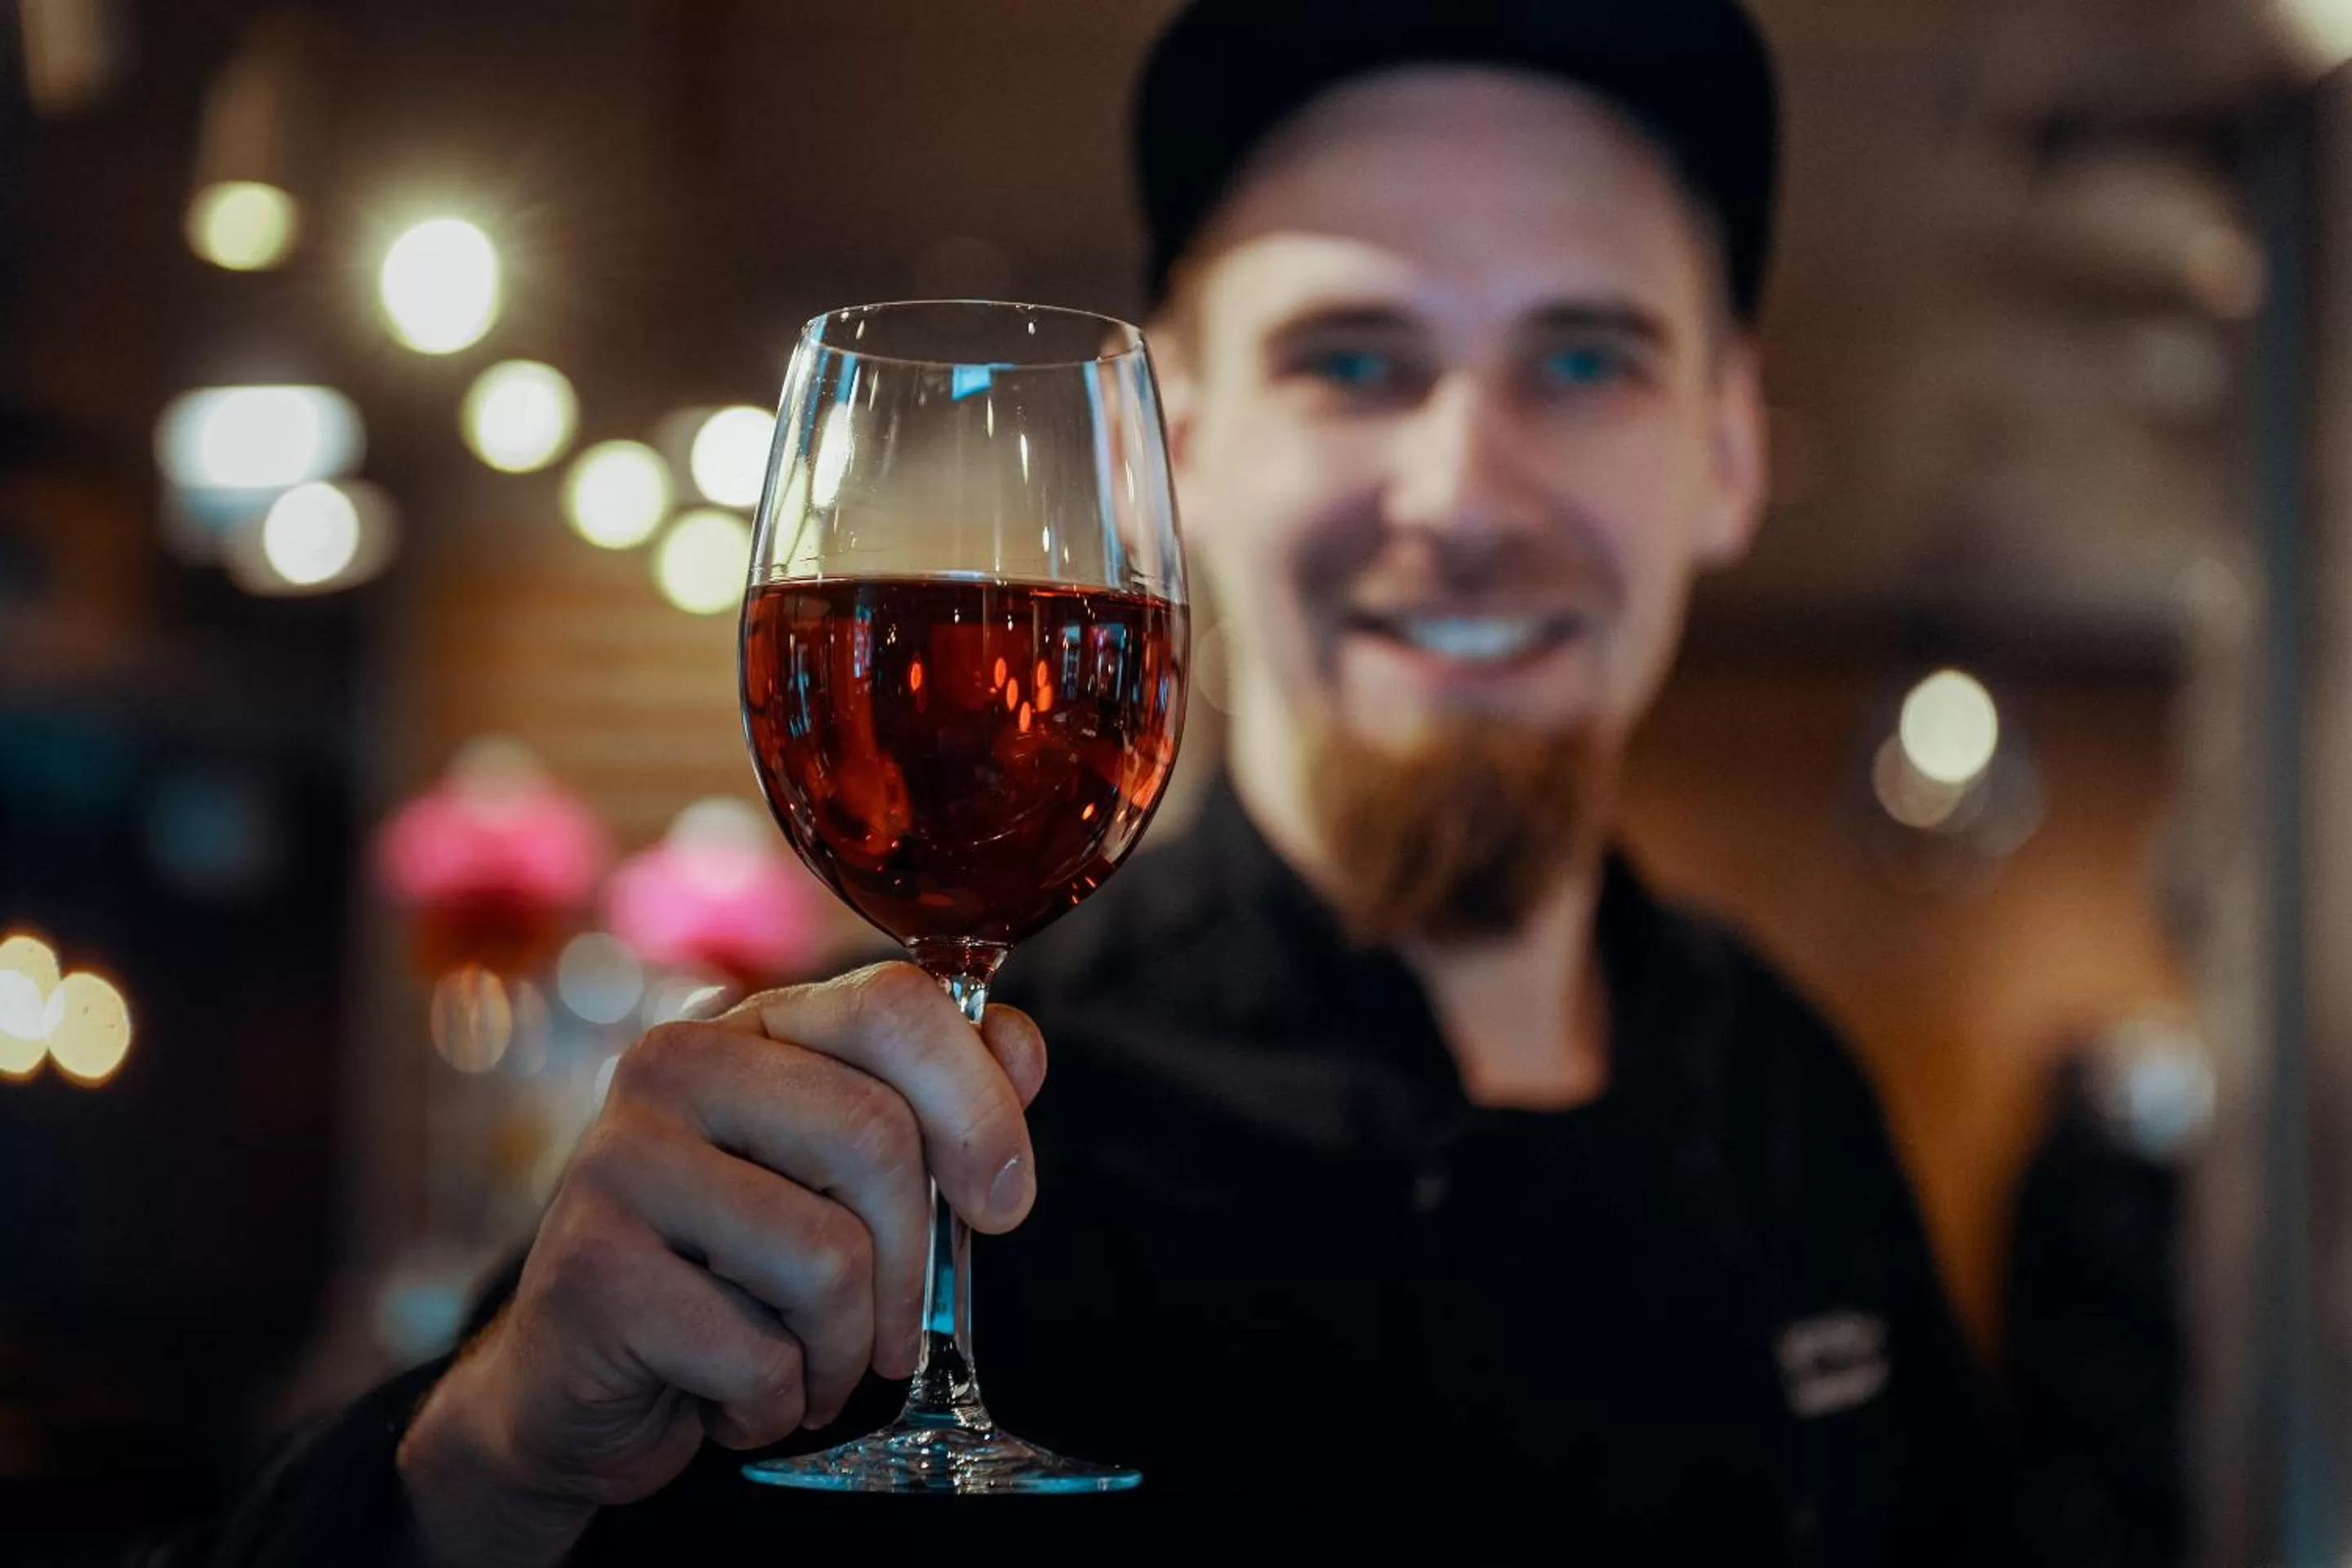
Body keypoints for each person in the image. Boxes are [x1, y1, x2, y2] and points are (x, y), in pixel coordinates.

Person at [177, 2, 2025, 1563]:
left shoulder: (1799, 1106)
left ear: (1724, 453)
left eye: (1584, 356)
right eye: (1356, 358)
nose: (1464, 495)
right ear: (1186, 456)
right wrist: (482, 1470)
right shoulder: (865, 1144)